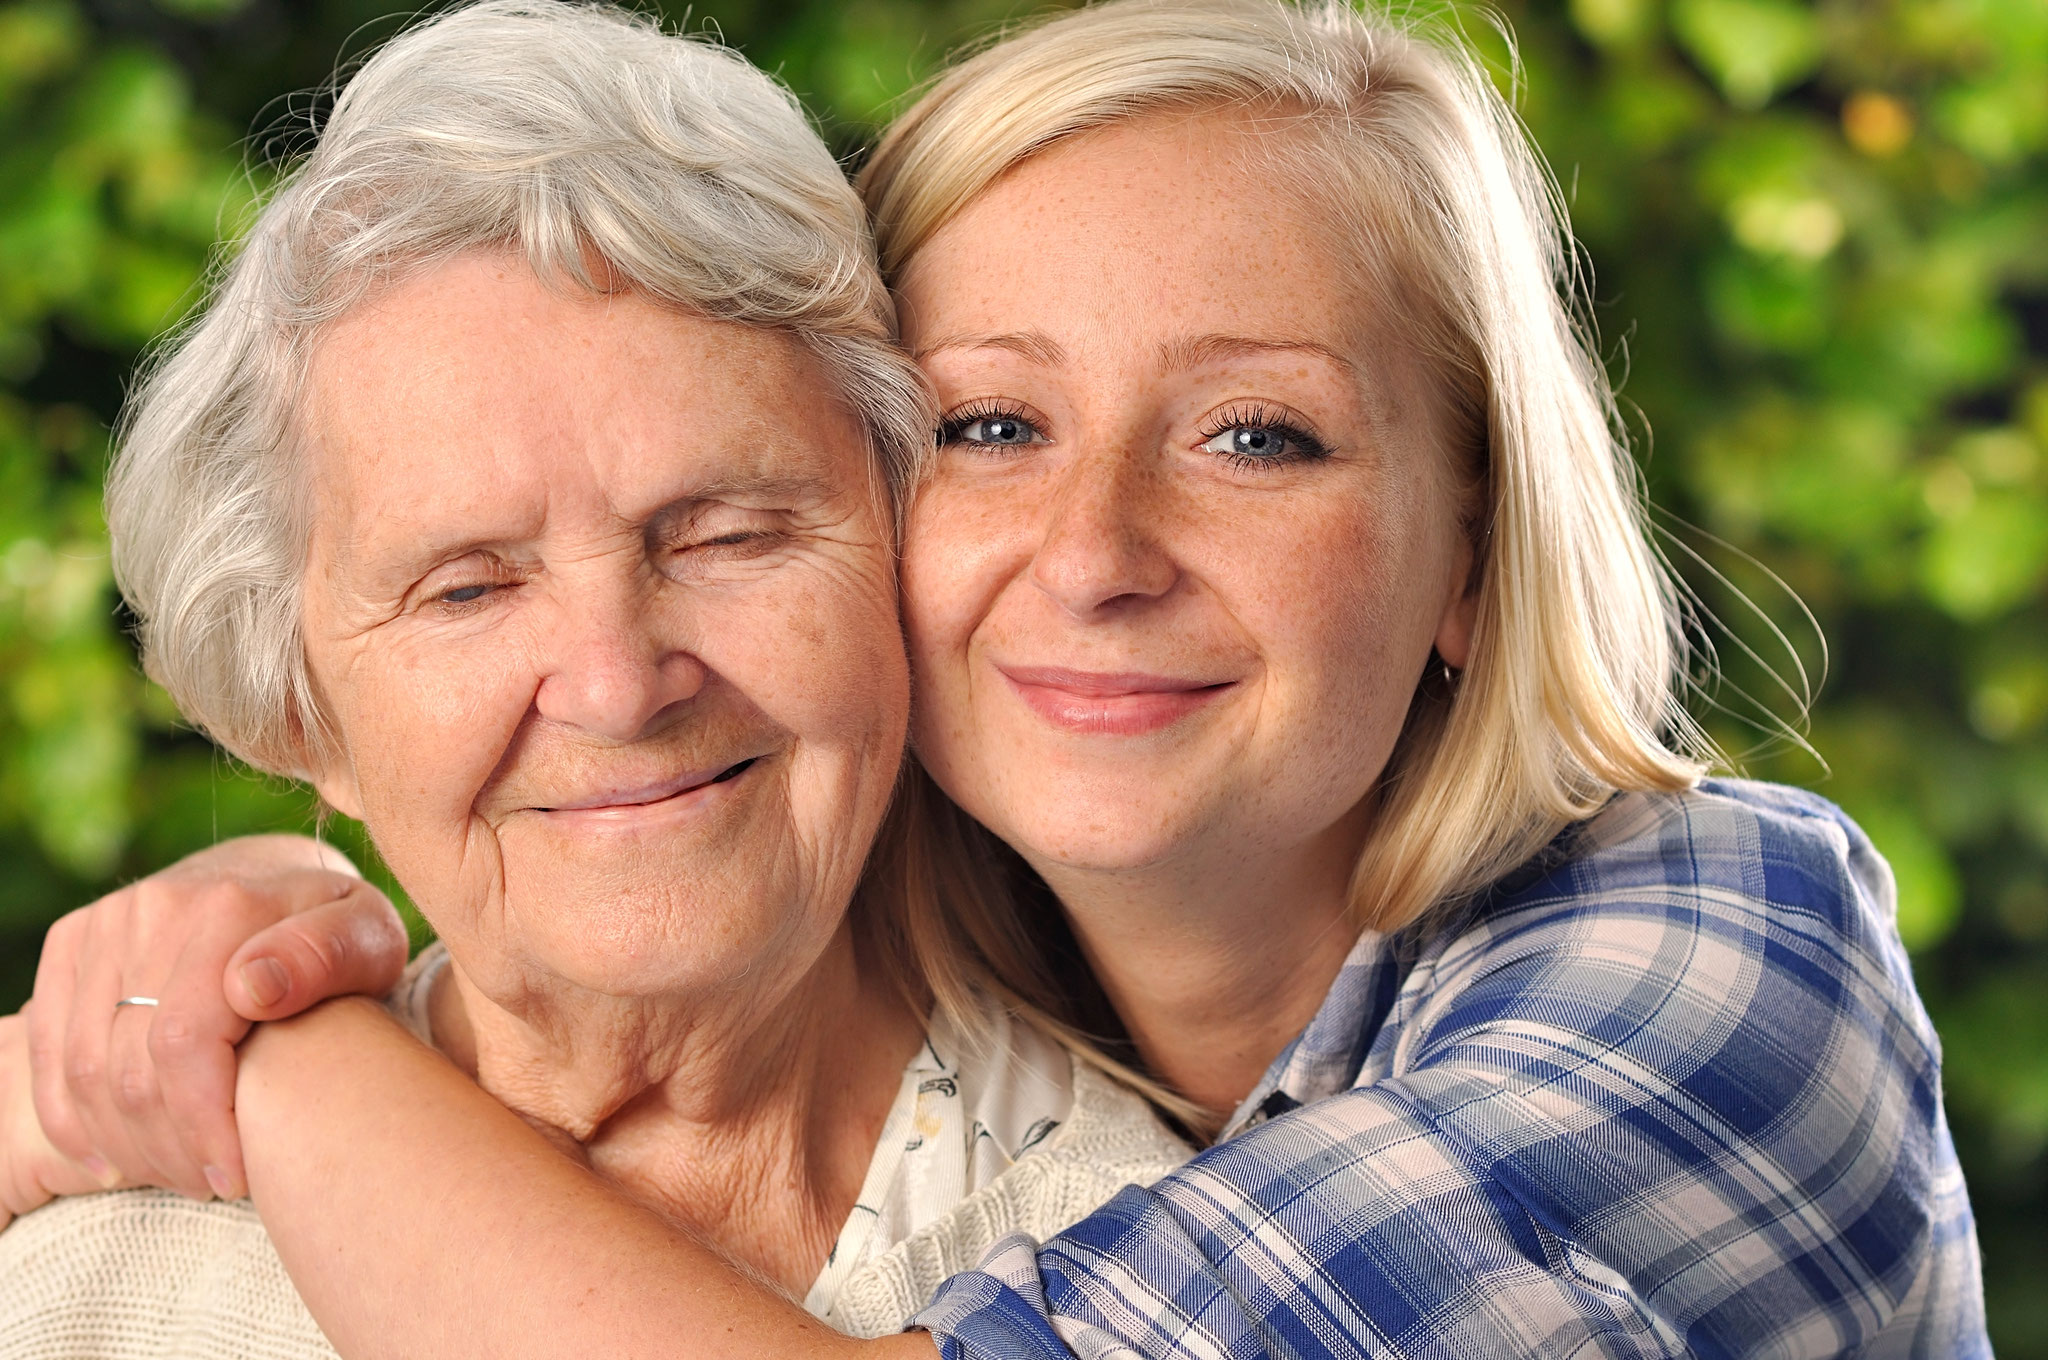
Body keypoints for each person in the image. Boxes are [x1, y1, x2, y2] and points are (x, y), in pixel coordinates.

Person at [8, 0, 1990, 1356]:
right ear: (296, 714)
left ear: (1474, 549)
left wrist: (262, 1050)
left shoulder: (1716, 953)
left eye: (1258, 437)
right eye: (988, 431)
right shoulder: (96, 1266)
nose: (1097, 557)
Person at [0, 3, 1198, 1353]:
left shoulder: (1173, 1265)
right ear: (300, 712)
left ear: (904, 555)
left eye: (728, 534)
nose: (619, 685)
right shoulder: (80, 1278)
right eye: (468, 586)